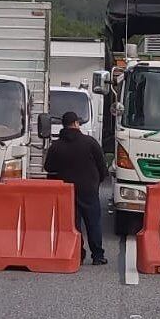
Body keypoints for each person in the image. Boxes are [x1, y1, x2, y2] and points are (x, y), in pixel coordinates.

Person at [43, 111, 109, 265]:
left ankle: (78, 253)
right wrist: (98, 180)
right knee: (93, 222)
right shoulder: (90, 142)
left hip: (67, 190)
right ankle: (98, 255)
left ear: (64, 125)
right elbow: (101, 165)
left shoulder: (56, 146)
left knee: (74, 224)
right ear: (76, 124)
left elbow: (48, 167)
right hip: (88, 189)